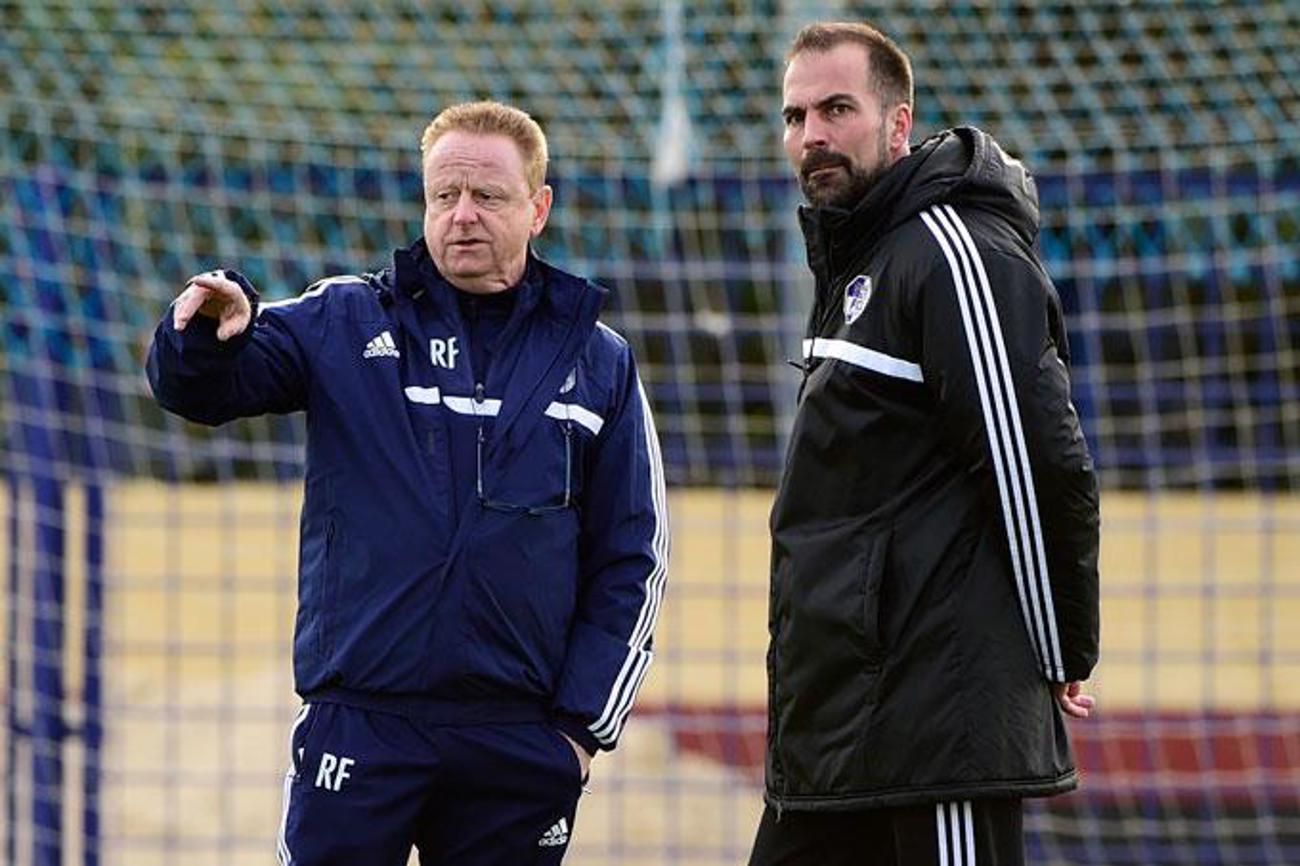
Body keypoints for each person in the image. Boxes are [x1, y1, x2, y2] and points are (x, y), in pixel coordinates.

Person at [146, 100, 669, 865]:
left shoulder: (598, 360)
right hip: (360, 725)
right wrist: (201, 336)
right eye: (443, 195)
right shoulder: (347, 319)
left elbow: (635, 555)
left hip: (518, 741)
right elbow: (205, 389)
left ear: (538, 207)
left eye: (487, 197)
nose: (462, 215)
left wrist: (578, 731)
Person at [749, 22, 1100, 866]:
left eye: (838, 109)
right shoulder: (859, 259)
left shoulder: (953, 249)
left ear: (899, 123)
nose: (813, 136)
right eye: (796, 116)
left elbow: (1033, 457)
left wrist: (1062, 642)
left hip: (937, 724)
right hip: (842, 724)